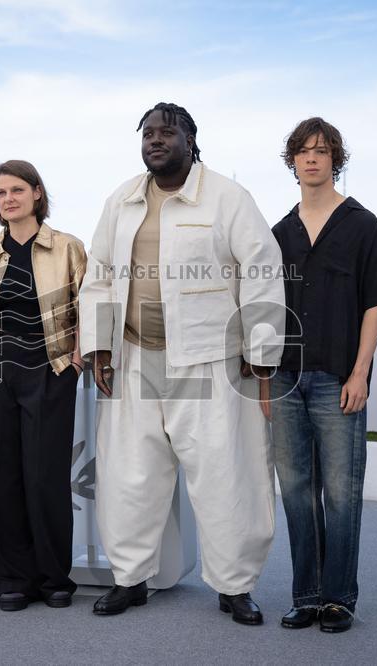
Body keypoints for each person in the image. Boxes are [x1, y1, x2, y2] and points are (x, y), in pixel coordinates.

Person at [78, 102, 285, 625]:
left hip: (210, 362)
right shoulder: (121, 200)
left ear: (191, 141)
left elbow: (262, 270)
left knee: (225, 474)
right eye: (147, 133)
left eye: (167, 133)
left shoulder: (227, 197)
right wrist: (99, 344)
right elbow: (99, 275)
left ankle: (234, 587)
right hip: (135, 359)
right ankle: (130, 579)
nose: (155, 140)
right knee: (130, 474)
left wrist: (261, 359)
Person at [270, 117, 377, 633]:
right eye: (303, 151)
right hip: (283, 378)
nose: (311, 158)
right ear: (293, 161)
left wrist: (360, 371)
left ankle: (339, 598)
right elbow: (263, 311)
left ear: (334, 159)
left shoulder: (362, 224)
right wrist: (262, 381)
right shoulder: (279, 232)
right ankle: (306, 596)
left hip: (337, 378)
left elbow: (374, 303)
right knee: (296, 491)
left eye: (321, 151)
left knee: (341, 493)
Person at [0, 160, 86, 612]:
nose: (8, 199)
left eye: (16, 190)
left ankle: (54, 578)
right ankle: (12, 578)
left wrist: (79, 354)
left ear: (36, 193)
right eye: (0, 192)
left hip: (48, 369)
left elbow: (85, 303)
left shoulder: (67, 246)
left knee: (45, 476)